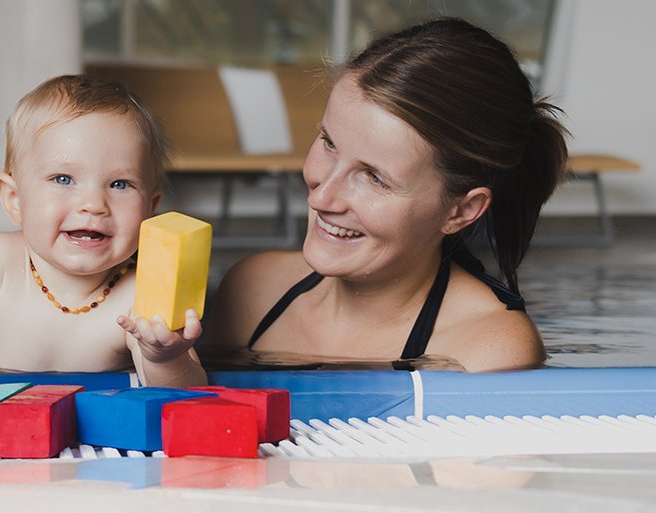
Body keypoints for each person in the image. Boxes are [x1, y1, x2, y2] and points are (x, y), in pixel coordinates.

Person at [205, 18, 568, 372]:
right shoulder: (251, 290)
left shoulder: (486, 348)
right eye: (329, 143)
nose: (322, 198)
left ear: (461, 211)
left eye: (375, 178)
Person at [0, 75, 207, 421]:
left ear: (150, 207)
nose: (93, 204)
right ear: (14, 199)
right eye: (63, 179)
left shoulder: (140, 296)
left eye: (120, 184)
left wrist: (166, 358)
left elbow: (186, 396)